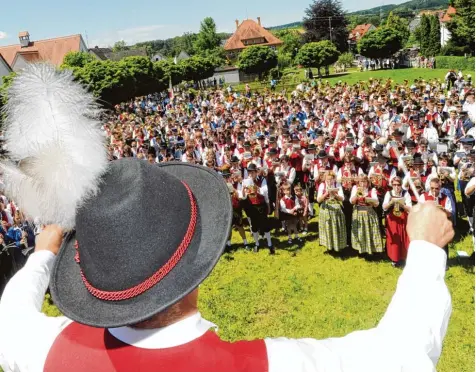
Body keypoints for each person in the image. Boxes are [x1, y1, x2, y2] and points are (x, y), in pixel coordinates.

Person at [0, 63, 458, 372]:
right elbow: (400, 355)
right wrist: (424, 250)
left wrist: (42, 256)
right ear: (197, 261)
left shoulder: (48, 351)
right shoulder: (265, 365)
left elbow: (10, 317)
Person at [350, 175, 384, 255]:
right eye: (361, 181)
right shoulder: (355, 188)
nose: (363, 184)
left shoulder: (372, 190)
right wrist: (358, 194)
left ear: (367, 182)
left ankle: (371, 250)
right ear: (358, 182)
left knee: (370, 231)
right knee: (360, 232)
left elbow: (376, 204)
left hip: (369, 212)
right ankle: (361, 250)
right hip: (358, 212)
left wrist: (369, 200)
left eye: (364, 181)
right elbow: (352, 201)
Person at [382, 177, 412, 266]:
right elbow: (384, 207)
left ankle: (404, 257)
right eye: (394, 185)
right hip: (393, 218)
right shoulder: (389, 193)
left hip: (403, 217)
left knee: (404, 238)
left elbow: (410, 208)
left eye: (398, 185)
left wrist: (402, 204)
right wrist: (391, 202)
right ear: (392, 185)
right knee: (394, 238)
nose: (396, 187)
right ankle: (394, 259)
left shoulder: (405, 193)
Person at [316, 171, 347, 252]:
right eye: (328, 180)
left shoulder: (337, 185)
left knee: (336, 227)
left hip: (336, 208)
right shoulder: (322, 185)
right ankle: (329, 246)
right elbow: (318, 200)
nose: (330, 181)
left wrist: (335, 194)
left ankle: (337, 246)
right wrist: (326, 193)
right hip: (326, 208)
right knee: (327, 227)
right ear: (325, 179)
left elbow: (342, 198)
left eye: (331, 179)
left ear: (334, 179)